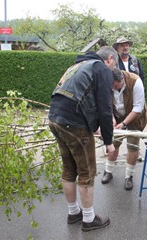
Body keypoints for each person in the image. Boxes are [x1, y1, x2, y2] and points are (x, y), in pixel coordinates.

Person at [48, 46, 118, 232]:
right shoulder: (102, 69)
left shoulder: (78, 65)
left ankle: (74, 213)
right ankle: (89, 218)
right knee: (87, 172)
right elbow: (104, 108)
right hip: (73, 123)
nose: (113, 69)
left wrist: (93, 127)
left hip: (55, 118)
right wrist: (109, 143)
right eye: (115, 64)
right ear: (110, 59)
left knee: (69, 168)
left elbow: (82, 98)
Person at [101, 68, 147, 190]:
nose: (113, 89)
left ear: (121, 80)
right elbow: (105, 102)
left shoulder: (136, 82)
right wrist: (111, 118)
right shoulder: (107, 82)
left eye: (115, 87)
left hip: (135, 117)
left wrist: (124, 123)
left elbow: (138, 108)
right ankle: (108, 171)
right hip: (117, 115)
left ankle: (129, 176)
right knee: (113, 143)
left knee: (132, 146)